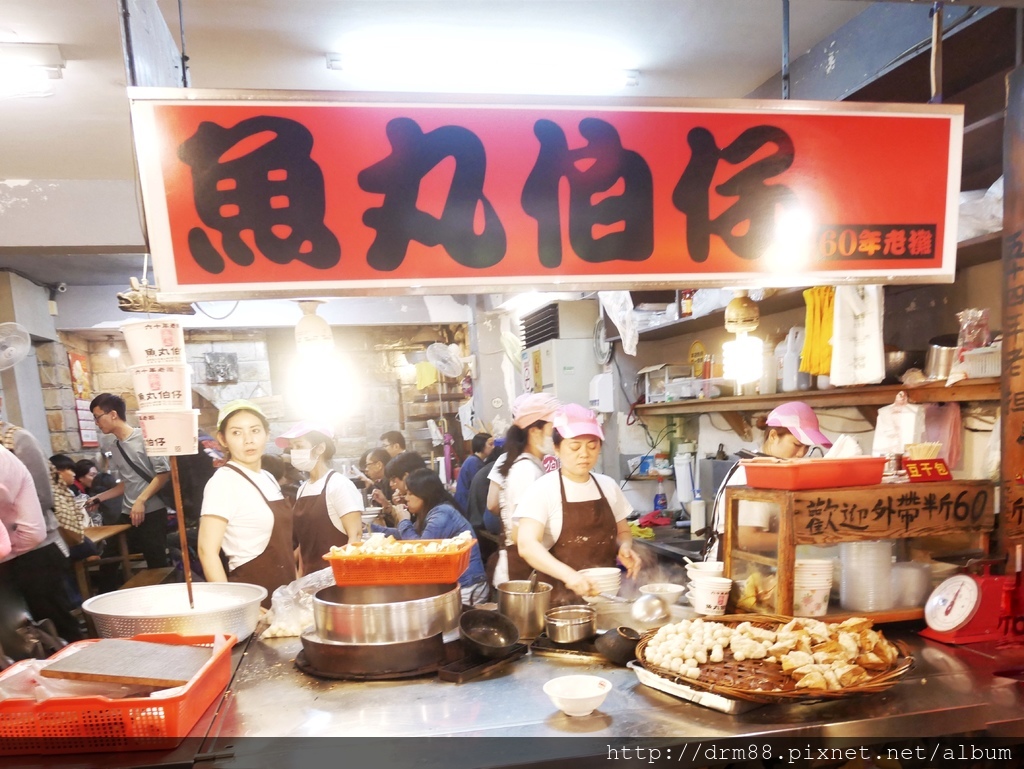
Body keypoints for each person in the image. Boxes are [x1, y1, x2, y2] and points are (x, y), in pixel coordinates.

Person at [515, 403, 640, 606]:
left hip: (605, 599)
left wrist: (624, 548)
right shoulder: (543, 489)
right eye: (575, 447)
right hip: (558, 604)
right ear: (556, 448)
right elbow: (527, 545)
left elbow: (623, 532)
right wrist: (570, 576)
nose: (584, 454)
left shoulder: (608, 486)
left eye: (592, 446)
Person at [198, 400, 295, 608]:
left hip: (283, 590)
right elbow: (207, 551)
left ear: (267, 434)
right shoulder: (223, 482)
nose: (248, 440)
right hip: (251, 595)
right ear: (222, 439)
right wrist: (234, 607)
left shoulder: (267, 477)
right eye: (236, 433)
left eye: (255, 430)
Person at [710, 401, 833, 555]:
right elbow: (745, 538)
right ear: (774, 436)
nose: (802, 453)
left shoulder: (774, 470)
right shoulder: (753, 472)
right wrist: (805, 538)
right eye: (796, 444)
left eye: (807, 447)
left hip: (756, 567)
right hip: (729, 567)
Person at [0, 421, 82, 642]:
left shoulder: (17, 439)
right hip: (8, 555)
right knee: (20, 633)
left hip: (38, 550)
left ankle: (78, 668)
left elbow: (43, 496)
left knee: (56, 624)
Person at [372, 468, 486, 604]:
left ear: (424, 494)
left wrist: (403, 520)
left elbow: (420, 550)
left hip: (468, 586)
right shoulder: (429, 512)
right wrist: (371, 528)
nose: (406, 498)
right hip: (457, 584)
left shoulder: (442, 514)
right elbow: (404, 535)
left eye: (410, 493)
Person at [87, 393, 170, 569]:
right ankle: (106, 595)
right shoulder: (114, 447)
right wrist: (99, 497)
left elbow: (163, 473)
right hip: (129, 512)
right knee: (108, 560)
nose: (96, 423)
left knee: (157, 563)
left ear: (113, 414)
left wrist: (141, 501)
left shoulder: (147, 438)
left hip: (153, 512)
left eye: (97, 417)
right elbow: (128, 483)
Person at [486, 393, 561, 585]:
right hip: (521, 570)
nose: (559, 434)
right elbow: (520, 535)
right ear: (534, 431)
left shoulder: (534, 465)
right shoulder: (526, 470)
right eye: (554, 428)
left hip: (527, 565)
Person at [276, 421, 363, 576]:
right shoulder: (303, 489)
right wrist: (299, 575)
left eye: (299, 446)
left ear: (320, 448)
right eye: (292, 448)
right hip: (310, 579)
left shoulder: (339, 485)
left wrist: (347, 577)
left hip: (339, 578)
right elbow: (305, 542)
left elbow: (355, 537)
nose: (294, 452)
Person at [453, 432, 493, 511]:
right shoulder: (473, 462)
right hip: (465, 505)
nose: (493, 447)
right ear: (481, 445)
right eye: (490, 444)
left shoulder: (476, 460)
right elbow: (479, 488)